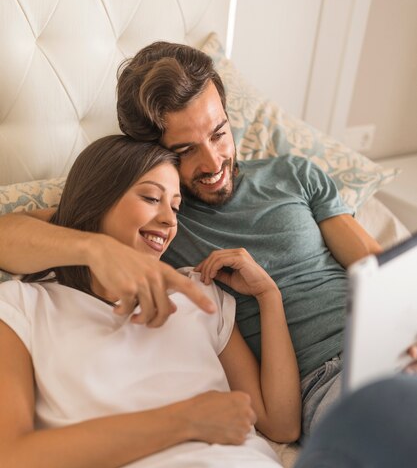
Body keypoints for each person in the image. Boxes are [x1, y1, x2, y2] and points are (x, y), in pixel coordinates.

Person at [1, 136, 417, 468]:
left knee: (390, 402)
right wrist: (186, 421)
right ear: (98, 196)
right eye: (151, 197)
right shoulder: (22, 305)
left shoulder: (200, 296)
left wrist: (268, 296)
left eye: (176, 206)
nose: (167, 220)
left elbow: (278, 424)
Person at [0, 40, 399, 436]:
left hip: (391, 340)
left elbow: (378, 265)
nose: (212, 163)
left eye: (219, 134)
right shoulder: (153, 218)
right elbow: (9, 236)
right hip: (328, 381)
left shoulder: (294, 173)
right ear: (151, 152)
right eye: (187, 149)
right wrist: (97, 248)